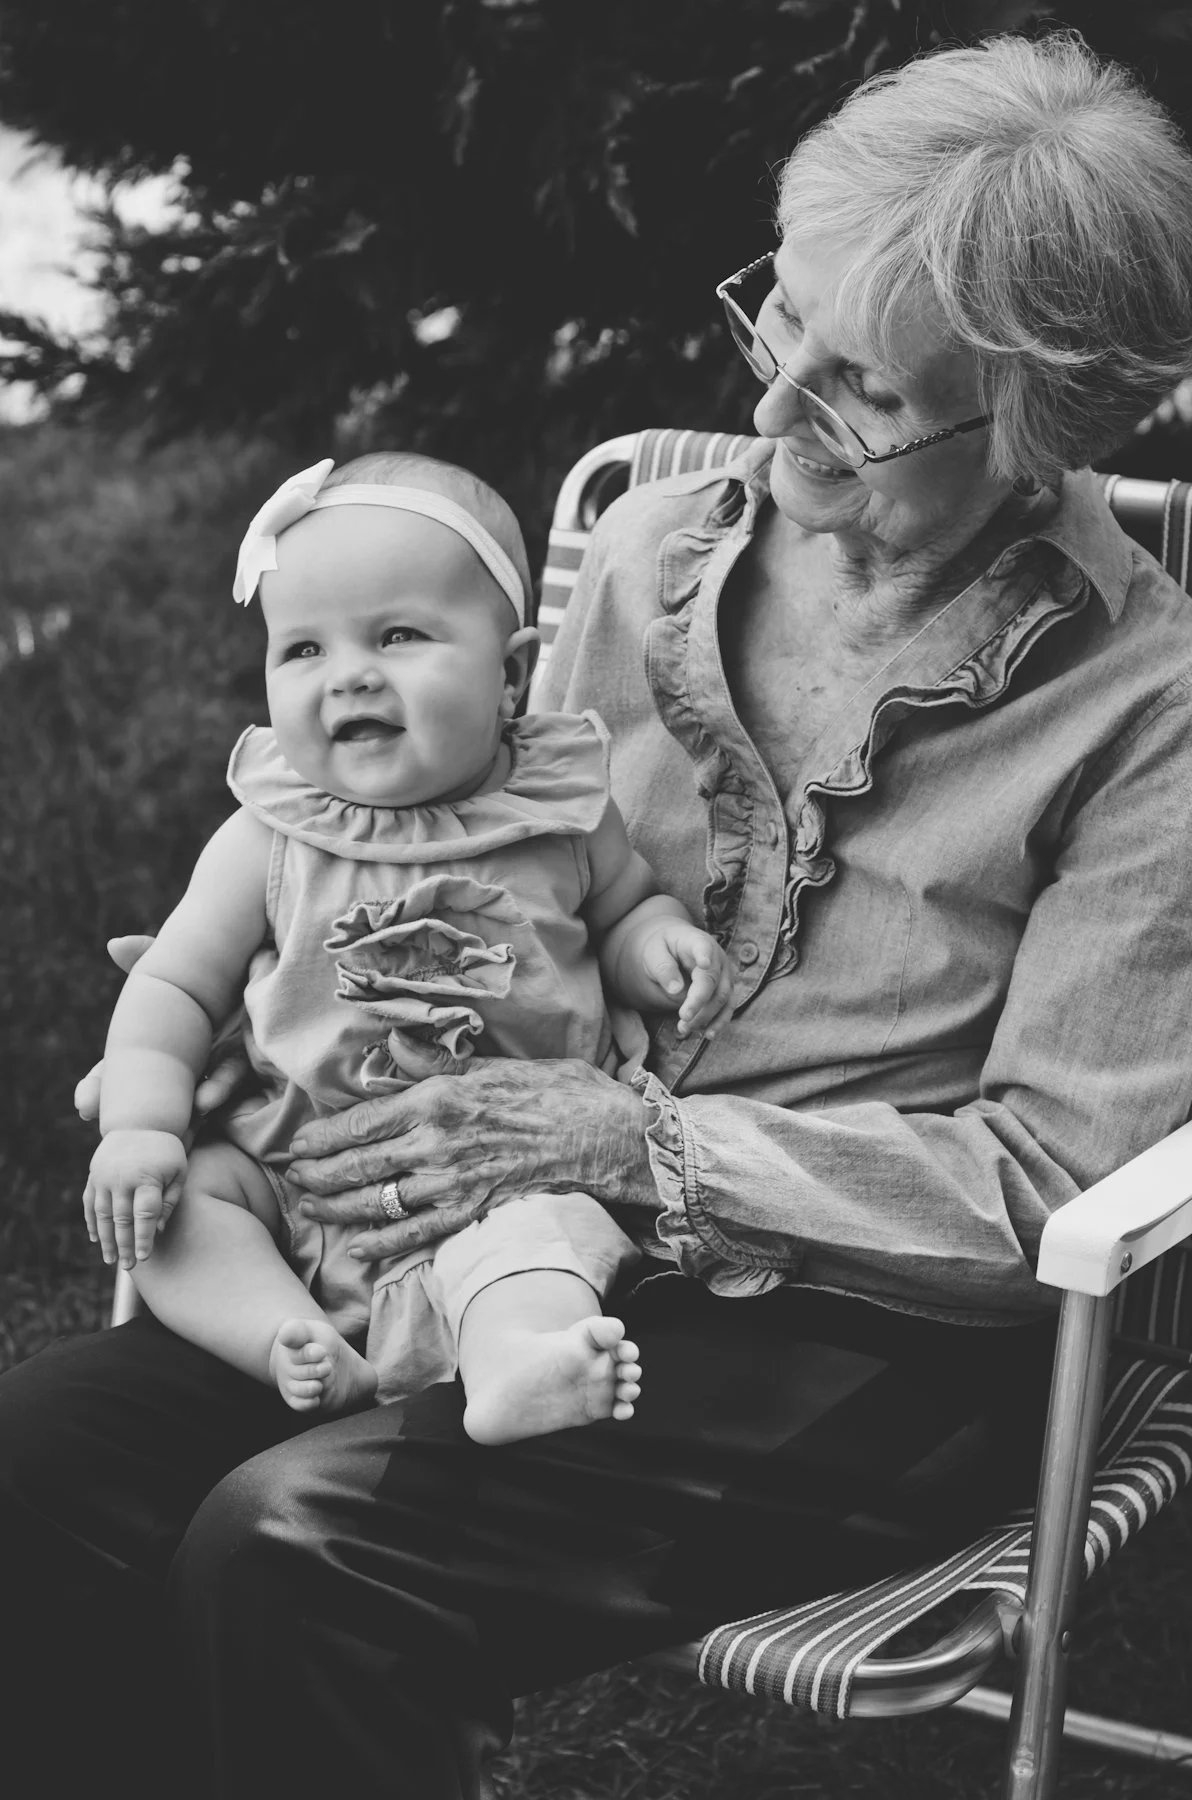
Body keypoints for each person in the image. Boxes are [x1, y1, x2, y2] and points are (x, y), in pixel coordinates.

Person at [5, 30, 1192, 1800]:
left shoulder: (1145, 712)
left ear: (1042, 431)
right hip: (473, 1229)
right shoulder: (647, 555)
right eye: (779, 319)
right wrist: (282, 975)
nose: (778, 413)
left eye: (862, 391)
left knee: (299, 1547)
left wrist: (639, 1143)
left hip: (869, 1327)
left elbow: (1037, 1180)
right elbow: (493, 854)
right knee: (35, 1464)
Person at [83, 450, 733, 1439]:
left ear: (510, 673)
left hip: (508, 1169)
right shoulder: (268, 835)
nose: (348, 676)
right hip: (296, 1172)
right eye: (301, 650)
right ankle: (290, 1340)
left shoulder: (556, 812)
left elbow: (626, 909)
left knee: (537, 1243)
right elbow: (173, 985)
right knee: (179, 1212)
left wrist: (661, 947)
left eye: (396, 635)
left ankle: (517, 1362)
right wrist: (141, 1122)